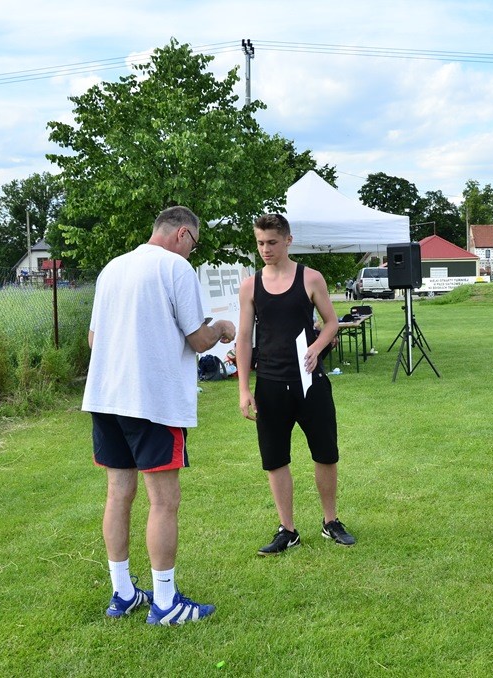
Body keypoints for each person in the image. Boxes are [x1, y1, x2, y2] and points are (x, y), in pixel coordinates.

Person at [83, 206, 235, 626]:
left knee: (118, 495)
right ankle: (165, 602)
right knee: (164, 500)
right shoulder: (176, 269)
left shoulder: (112, 268)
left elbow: (95, 339)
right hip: (152, 400)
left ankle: (123, 592)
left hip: (106, 397)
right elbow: (198, 338)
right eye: (194, 244)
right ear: (183, 234)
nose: (192, 252)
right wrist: (222, 328)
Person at [236, 213, 356, 555]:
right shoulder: (250, 286)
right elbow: (244, 338)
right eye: (260, 243)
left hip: (310, 383)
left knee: (325, 453)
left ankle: (330, 521)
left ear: (288, 240)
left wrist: (317, 347)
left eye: (272, 242)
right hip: (270, 384)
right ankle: (287, 529)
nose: (265, 249)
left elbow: (332, 322)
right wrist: (244, 388)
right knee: (275, 458)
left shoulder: (311, 278)